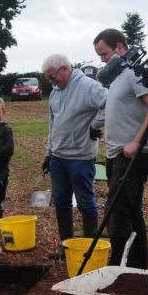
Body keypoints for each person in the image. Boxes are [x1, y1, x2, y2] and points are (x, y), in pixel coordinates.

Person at [93, 28, 148, 269]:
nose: (102, 60)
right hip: (118, 154)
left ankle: (119, 270)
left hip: (134, 154)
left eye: (104, 54)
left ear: (120, 48)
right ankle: (136, 270)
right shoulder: (118, 78)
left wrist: (136, 143)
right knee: (131, 212)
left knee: (117, 212)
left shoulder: (136, 72)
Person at [42, 53, 108, 249]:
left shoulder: (88, 86)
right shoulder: (55, 92)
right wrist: (48, 153)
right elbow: (52, 125)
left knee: (85, 203)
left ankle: (89, 248)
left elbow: (110, 103)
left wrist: (95, 125)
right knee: (61, 203)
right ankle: (66, 244)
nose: (51, 82)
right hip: (58, 158)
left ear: (65, 69)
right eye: (48, 78)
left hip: (80, 157)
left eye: (53, 77)